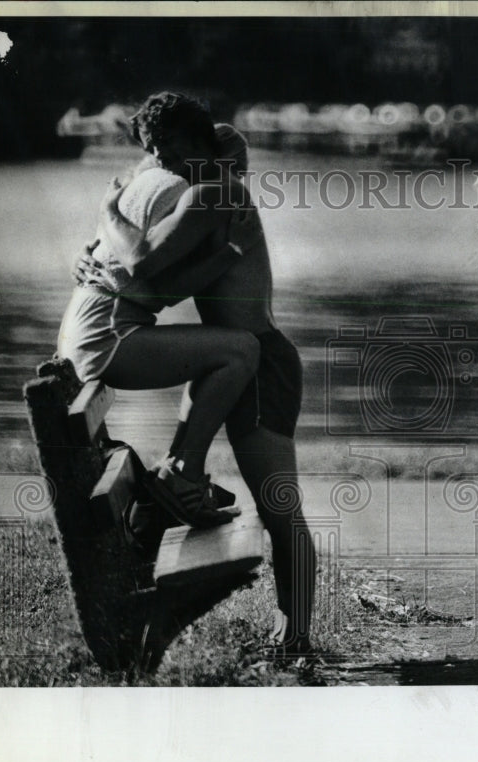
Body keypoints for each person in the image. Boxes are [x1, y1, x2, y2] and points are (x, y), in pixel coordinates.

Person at [76, 92, 316, 658]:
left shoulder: (217, 193)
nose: (165, 166)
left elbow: (139, 266)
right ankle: (295, 631)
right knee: (273, 503)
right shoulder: (203, 193)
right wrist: (93, 260)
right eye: (158, 155)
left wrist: (106, 221)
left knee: (281, 506)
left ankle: (299, 633)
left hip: (260, 361)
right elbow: (147, 270)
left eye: (174, 152)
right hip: (238, 355)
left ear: (208, 149)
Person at [58, 97, 260, 530]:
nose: (156, 156)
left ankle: (178, 475)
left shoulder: (176, 185)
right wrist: (107, 211)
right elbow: (140, 265)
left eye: (162, 144)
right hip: (106, 336)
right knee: (240, 352)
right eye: (151, 146)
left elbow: (155, 283)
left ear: (193, 139)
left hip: (95, 329)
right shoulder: (182, 188)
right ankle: (182, 478)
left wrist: (228, 254)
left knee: (225, 353)